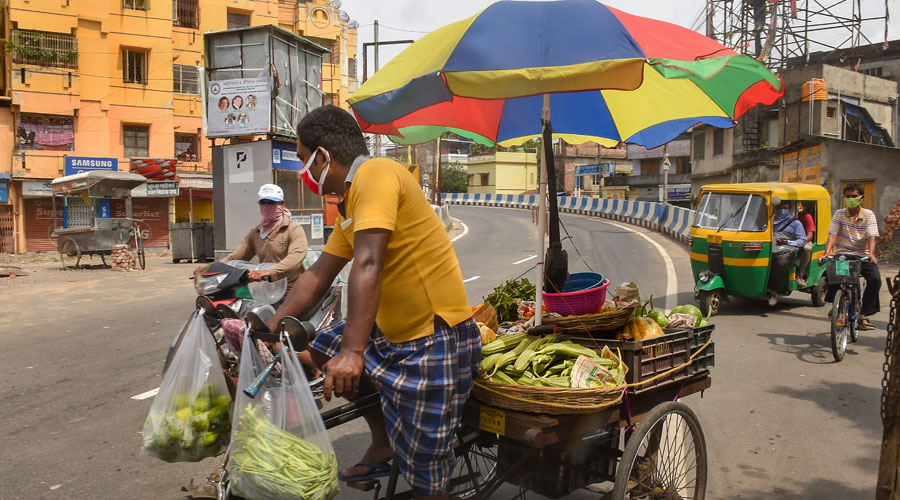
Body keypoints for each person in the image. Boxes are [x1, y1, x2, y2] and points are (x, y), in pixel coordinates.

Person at [267, 105, 478, 500]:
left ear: (324, 156)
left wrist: (353, 351)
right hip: (392, 331)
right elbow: (318, 274)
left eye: (303, 160)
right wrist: (271, 328)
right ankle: (383, 441)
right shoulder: (350, 203)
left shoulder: (377, 175)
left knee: (427, 482)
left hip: (435, 338)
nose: (304, 172)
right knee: (318, 348)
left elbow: (367, 262)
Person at [194, 184, 308, 288]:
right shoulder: (256, 233)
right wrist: (208, 269)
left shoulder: (293, 230)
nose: (266, 207)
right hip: (268, 290)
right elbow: (234, 258)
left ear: (282, 204)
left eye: (271, 203)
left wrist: (269, 272)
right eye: (263, 203)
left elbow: (294, 259)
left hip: (292, 290)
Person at [820, 182, 881, 330]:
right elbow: (832, 235)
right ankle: (837, 305)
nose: (851, 199)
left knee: (875, 279)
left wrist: (871, 254)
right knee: (835, 276)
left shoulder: (868, 215)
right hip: (843, 255)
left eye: (854, 196)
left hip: (862, 256)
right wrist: (827, 253)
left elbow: (872, 236)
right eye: (847, 197)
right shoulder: (839, 214)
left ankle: (863, 315)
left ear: (861, 198)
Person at [768, 200, 807, 305]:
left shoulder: (795, 223)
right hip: (770, 249)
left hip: (786, 251)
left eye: (785, 208)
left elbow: (802, 241)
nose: (782, 210)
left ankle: (773, 292)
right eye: (779, 208)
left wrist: (787, 241)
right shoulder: (769, 221)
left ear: (789, 209)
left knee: (780, 264)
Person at [795, 202, 816, 287]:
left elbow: (809, 236)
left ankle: (800, 274)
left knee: (806, 248)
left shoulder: (807, 217)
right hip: (788, 239)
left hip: (803, 240)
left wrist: (799, 242)